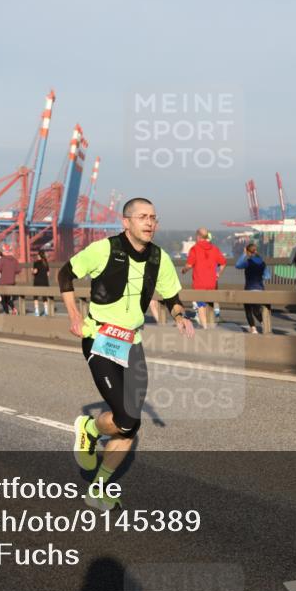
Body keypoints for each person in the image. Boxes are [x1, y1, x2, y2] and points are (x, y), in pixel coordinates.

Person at [59, 197, 193, 512]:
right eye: (143, 217)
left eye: (154, 217)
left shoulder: (159, 258)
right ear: (126, 222)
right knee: (127, 417)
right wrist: (74, 316)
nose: (150, 223)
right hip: (101, 339)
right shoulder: (103, 249)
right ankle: (90, 429)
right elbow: (65, 275)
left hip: (132, 343)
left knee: (130, 425)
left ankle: (98, 487)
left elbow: (171, 295)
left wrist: (179, 316)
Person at [181, 228, 227, 328]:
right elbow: (223, 263)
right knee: (209, 304)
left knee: (201, 305)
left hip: (199, 283)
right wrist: (218, 274)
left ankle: (205, 327)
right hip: (212, 283)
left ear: (198, 236)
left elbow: (189, 265)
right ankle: (210, 325)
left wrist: (184, 270)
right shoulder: (214, 249)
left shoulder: (195, 249)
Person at [235, 243, 268, 334]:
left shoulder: (248, 262)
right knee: (256, 309)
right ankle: (263, 323)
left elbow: (237, 265)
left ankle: (253, 329)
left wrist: (244, 254)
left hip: (249, 289)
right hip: (260, 289)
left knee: (248, 309)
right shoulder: (262, 263)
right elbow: (267, 276)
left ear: (249, 252)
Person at [0, 249, 20, 314]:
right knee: (8, 299)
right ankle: (14, 309)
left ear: (3, 252)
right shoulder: (14, 260)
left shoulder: (1, 260)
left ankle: (7, 313)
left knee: (3, 300)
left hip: (3, 282)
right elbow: (18, 270)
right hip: (12, 282)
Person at [32, 250, 52, 317]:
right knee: (44, 297)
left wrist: (32, 271)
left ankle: (37, 312)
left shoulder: (36, 263)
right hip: (45, 282)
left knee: (36, 297)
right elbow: (48, 274)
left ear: (39, 255)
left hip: (37, 281)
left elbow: (35, 271)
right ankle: (46, 311)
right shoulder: (46, 263)